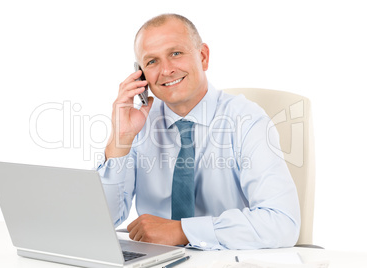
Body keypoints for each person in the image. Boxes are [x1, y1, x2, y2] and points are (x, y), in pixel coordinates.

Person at [98, 13, 300, 250]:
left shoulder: (247, 120)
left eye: (176, 53)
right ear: (141, 74)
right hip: (153, 261)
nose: (166, 70)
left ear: (203, 57)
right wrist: (120, 141)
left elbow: (282, 224)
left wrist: (183, 231)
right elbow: (102, 221)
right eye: (152, 61)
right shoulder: (138, 124)